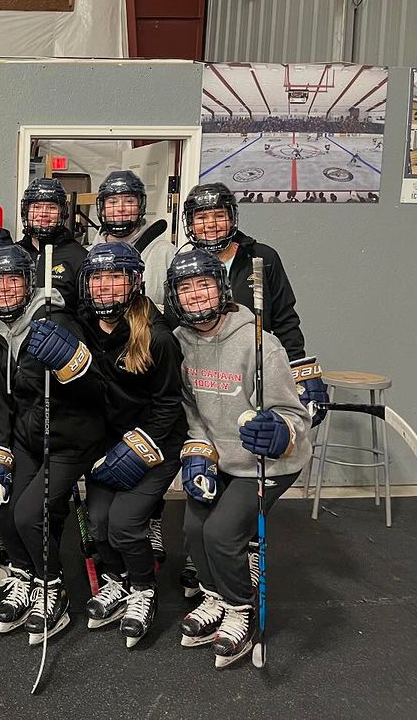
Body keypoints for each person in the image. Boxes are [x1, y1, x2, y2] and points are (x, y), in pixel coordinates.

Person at [167, 248, 311, 668]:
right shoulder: (180, 343)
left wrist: (279, 430)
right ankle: (214, 597)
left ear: (221, 288)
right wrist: (198, 450)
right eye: (185, 287)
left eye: (204, 284)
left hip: (268, 461)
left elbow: (294, 414)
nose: (195, 294)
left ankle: (240, 609)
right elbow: (191, 411)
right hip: (219, 456)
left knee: (222, 534)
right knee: (194, 528)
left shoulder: (259, 342)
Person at [180, 182, 327, 595]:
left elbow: (285, 319)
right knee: (207, 513)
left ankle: (236, 552)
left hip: (259, 369)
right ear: (190, 223)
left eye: (217, 215)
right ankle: (210, 561)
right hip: (215, 382)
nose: (210, 224)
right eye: (200, 217)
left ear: (232, 216)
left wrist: (301, 371)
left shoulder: (262, 258)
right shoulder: (186, 262)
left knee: (257, 450)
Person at [0, 244, 107, 645]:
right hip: (26, 438)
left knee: (30, 515)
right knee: (3, 505)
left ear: (29, 283)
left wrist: (71, 365)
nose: (3, 289)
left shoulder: (56, 320)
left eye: (12, 280)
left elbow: (96, 389)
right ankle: (24, 574)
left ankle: (54, 588)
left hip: (67, 440)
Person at [78, 242, 186, 648]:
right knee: (100, 522)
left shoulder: (157, 337)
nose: (106, 285)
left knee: (124, 526)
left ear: (135, 281)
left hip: (157, 445)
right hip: (109, 445)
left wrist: (140, 448)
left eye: (116, 276)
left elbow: (169, 406)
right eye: (98, 278)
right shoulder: (84, 325)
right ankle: (116, 582)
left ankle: (143, 590)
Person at [93, 170, 176, 312]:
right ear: (102, 209)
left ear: (140, 206)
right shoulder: (88, 254)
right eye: (112, 202)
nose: (120, 208)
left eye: (129, 201)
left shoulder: (166, 252)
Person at [15, 176, 87, 310]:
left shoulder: (79, 257)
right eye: (36, 207)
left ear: (62, 213)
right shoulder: (14, 253)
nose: (43, 213)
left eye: (51, 208)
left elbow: (86, 312)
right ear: (26, 211)